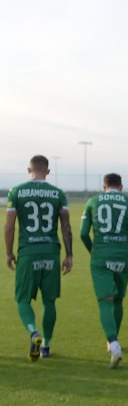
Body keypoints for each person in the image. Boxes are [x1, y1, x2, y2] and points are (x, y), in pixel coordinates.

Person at [5, 155, 74, 361]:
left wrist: (9, 253)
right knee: (49, 301)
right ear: (48, 171)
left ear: (29, 170)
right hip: (51, 252)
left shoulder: (17, 191)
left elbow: (9, 227)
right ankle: (46, 346)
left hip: (28, 252)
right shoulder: (58, 193)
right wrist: (69, 254)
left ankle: (34, 332)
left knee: (22, 299)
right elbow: (66, 226)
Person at [80, 173, 128, 368]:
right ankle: (113, 341)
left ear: (104, 186)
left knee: (105, 300)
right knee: (118, 299)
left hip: (101, 255)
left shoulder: (92, 201)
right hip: (123, 255)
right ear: (121, 186)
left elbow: (83, 233)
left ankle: (114, 344)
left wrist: (93, 251)